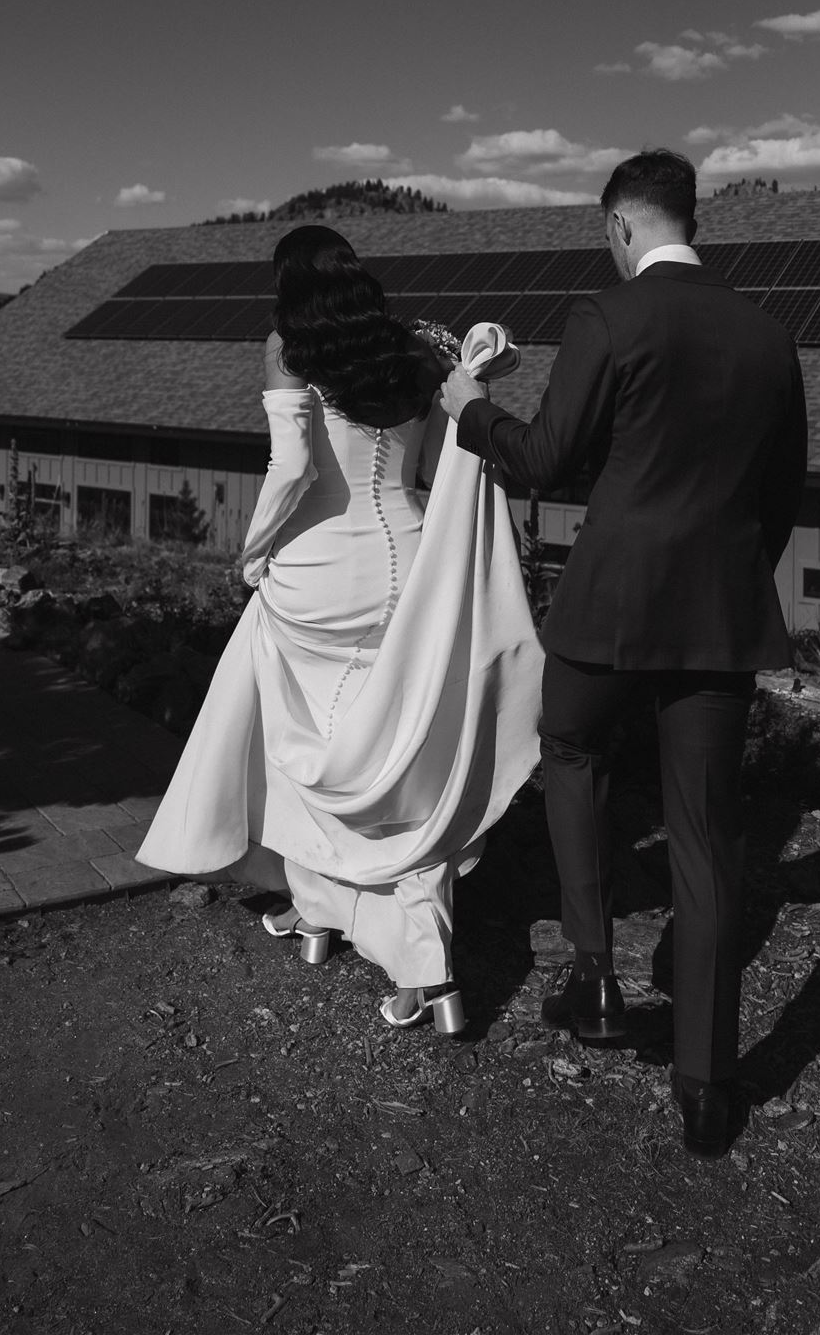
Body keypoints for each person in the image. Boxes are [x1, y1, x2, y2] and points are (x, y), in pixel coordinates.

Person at [443, 151, 806, 1154]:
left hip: (610, 604)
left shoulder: (609, 318)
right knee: (705, 827)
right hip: (720, 612)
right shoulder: (769, 335)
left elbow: (545, 457)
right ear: (693, 220)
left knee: (571, 747)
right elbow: (782, 494)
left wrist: (464, 409)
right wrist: (732, 582)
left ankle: (595, 974)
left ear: (618, 226)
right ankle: (707, 1085)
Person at [137, 226, 543, 1034]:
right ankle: (385, 942)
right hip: (416, 565)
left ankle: (324, 914)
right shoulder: (420, 348)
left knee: (307, 752)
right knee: (401, 758)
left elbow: (291, 470)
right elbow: (460, 431)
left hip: (319, 572)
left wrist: (254, 555)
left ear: (290, 287)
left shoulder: (289, 347)